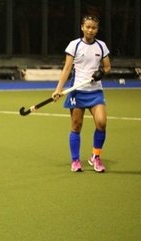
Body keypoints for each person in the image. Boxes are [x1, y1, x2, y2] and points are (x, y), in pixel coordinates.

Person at [52, 15, 111, 173]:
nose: (90, 30)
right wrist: (58, 89)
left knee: (101, 123)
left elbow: (107, 67)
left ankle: (95, 157)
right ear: (82, 27)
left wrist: (101, 72)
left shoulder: (101, 46)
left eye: (94, 28)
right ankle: (75, 160)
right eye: (88, 27)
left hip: (95, 91)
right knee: (76, 126)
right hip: (78, 91)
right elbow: (67, 69)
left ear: (97, 29)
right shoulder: (74, 45)